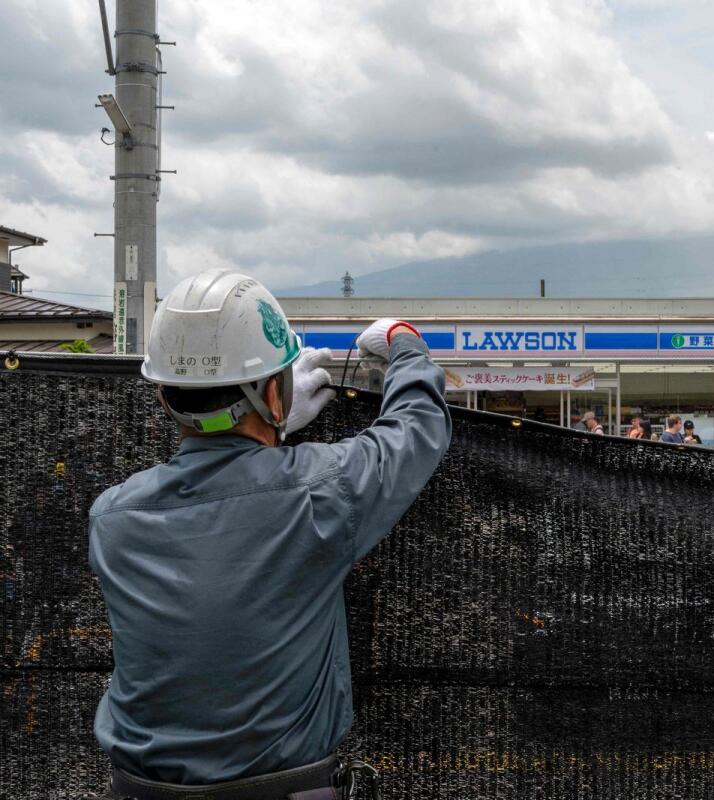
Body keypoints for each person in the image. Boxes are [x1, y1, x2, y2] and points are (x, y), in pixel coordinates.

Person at [88, 270, 452, 798]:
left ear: (165, 395)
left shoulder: (112, 518)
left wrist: (269, 432)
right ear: (272, 394)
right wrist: (403, 341)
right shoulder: (321, 493)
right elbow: (417, 427)